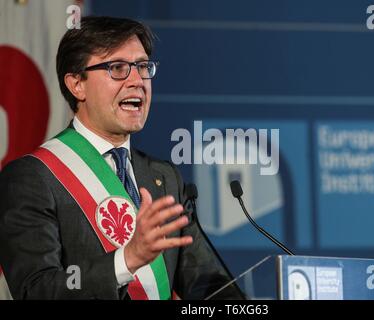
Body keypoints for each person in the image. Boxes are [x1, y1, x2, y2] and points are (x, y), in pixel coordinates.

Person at [0, 16, 244, 300]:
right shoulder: (32, 178)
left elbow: (210, 287)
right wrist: (125, 261)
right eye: (117, 68)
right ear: (76, 84)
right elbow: (37, 290)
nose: (137, 81)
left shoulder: (164, 178)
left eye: (142, 67)